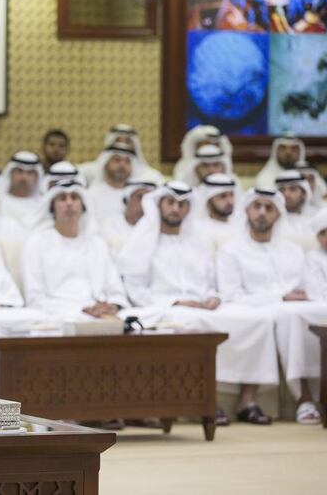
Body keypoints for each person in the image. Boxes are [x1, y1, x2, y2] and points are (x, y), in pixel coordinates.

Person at [119, 182, 278, 425]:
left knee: (258, 321)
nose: (175, 209)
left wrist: (213, 296)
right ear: (159, 205)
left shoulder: (197, 242)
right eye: (170, 203)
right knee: (192, 324)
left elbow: (211, 282)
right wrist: (176, 301)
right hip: (162, 308)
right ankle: (206, 402)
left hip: (201, 307)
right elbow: (135, 289)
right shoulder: (142, 240)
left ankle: (248, 400)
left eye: (182, 204)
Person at [216, 188, 327, 424]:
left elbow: (312, 291)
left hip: (299, 307)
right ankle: (303, 399)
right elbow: (231, 295)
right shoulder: (230, 251)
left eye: (269, 208)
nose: (262, 213)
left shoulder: (293, 251)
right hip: (259, 309)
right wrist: (280, 299)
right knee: (290, 317)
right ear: (247, 211)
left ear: (278, 215)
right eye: (257, 207)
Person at [20, 179, 128, 319]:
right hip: (58, 314)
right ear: (52, 207)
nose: (69, 203)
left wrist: (112, 306)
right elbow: (35, 298)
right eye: (62, 199)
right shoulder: (36, 244)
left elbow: (116, 290)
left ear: (83, 206)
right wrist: (81, 311)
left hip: (100, 313)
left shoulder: (97, 244)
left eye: (75, 198)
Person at [79, 124, 164, 185]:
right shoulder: (91, 171)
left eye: (127, 141)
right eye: (118, 140)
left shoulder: (151, 176)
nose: (122, 145)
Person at [99, 180, 157, 251]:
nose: (144, 204)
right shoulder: (110, 225)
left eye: (149, 199)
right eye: (140, 197)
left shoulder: (155, 227)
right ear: (128, 200)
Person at [86, 142, 135, 223]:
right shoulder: (92, 194)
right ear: (105, 164)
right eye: (117, 160)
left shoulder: (136, 196)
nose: (122, 165)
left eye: (127, 161)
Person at [194, 173, 239, 250]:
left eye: (231, 195)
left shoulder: (241, 226)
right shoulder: (198, 229)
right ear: (208, 200)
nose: (229, 201)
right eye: (222, 196)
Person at [275, 170, 317, 248]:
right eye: (282, 190)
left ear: (304, 194)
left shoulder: (316, 217)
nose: (286, 194)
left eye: (292, 189)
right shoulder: (272, 222)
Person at [0, 151, 43, 222]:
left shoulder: (43, 205)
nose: (24, 177)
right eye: (19, 171)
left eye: (30, 173)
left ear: (36, 177)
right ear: (10, 173)